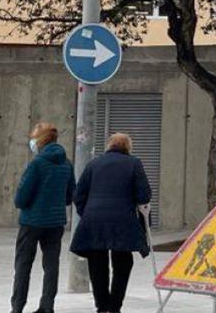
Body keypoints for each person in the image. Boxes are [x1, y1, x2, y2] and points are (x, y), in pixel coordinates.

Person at [69, 133, 152, 313]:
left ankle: (101, 305)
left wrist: (87, 213)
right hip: (122, 221)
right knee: (123, 262)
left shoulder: (93, 164)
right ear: (128, 147)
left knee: (97, 262)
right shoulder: (134, 163)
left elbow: (78, 195)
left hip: (94, 221)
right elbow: (144, 195)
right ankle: (115, 306)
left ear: (109, 146)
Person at [11, 122, 75, 313]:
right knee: (51, 265)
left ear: (40, 140)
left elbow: (21, 197)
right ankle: (47, 306)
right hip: (55, 222)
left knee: (23, 265)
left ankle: (17, 306)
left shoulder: (37, 164)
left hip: (32, 221)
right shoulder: (66, 163)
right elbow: (70, 195)